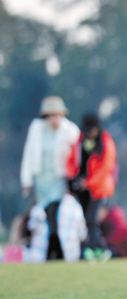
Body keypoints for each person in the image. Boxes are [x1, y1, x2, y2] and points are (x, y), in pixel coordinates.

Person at [66, 112, 117, 260]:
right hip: (82, 190)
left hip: (99, 189)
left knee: (92, 218)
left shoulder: (106, 142)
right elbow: (72, 162)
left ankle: (100, 248)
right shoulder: (79, 142)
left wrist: (88, 183)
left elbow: (105, 168)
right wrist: (72, 179)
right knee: (86, 220)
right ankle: (93, 248)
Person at [20, 96, 80, 207]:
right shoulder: (36, 128)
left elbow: (78, 157)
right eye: (51, 115)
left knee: (57, 210)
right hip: (41, 179)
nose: (55, 119)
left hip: (60, 179)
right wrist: (26, 179)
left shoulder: (71, 130)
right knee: (42, 211)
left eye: (57, 115)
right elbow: (29, 154)